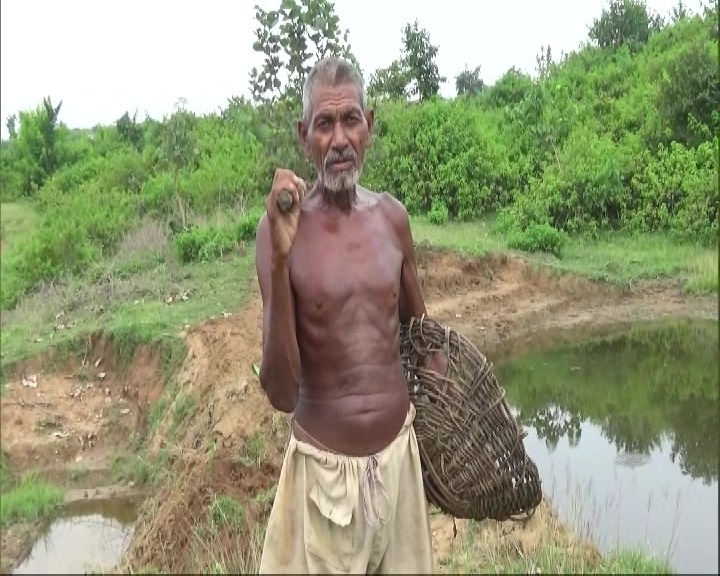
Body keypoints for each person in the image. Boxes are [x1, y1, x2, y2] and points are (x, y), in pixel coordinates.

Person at [255, 56, 437, 574]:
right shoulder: (279, 233)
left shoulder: (392, 219)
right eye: (324, 123)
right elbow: (281, 393)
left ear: (370, 125)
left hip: (399, 467)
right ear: (303, 134)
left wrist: (444, 443)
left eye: (350, 119)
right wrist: (281, 257)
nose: (339, 140)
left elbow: (423, 342)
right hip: (323, 484)